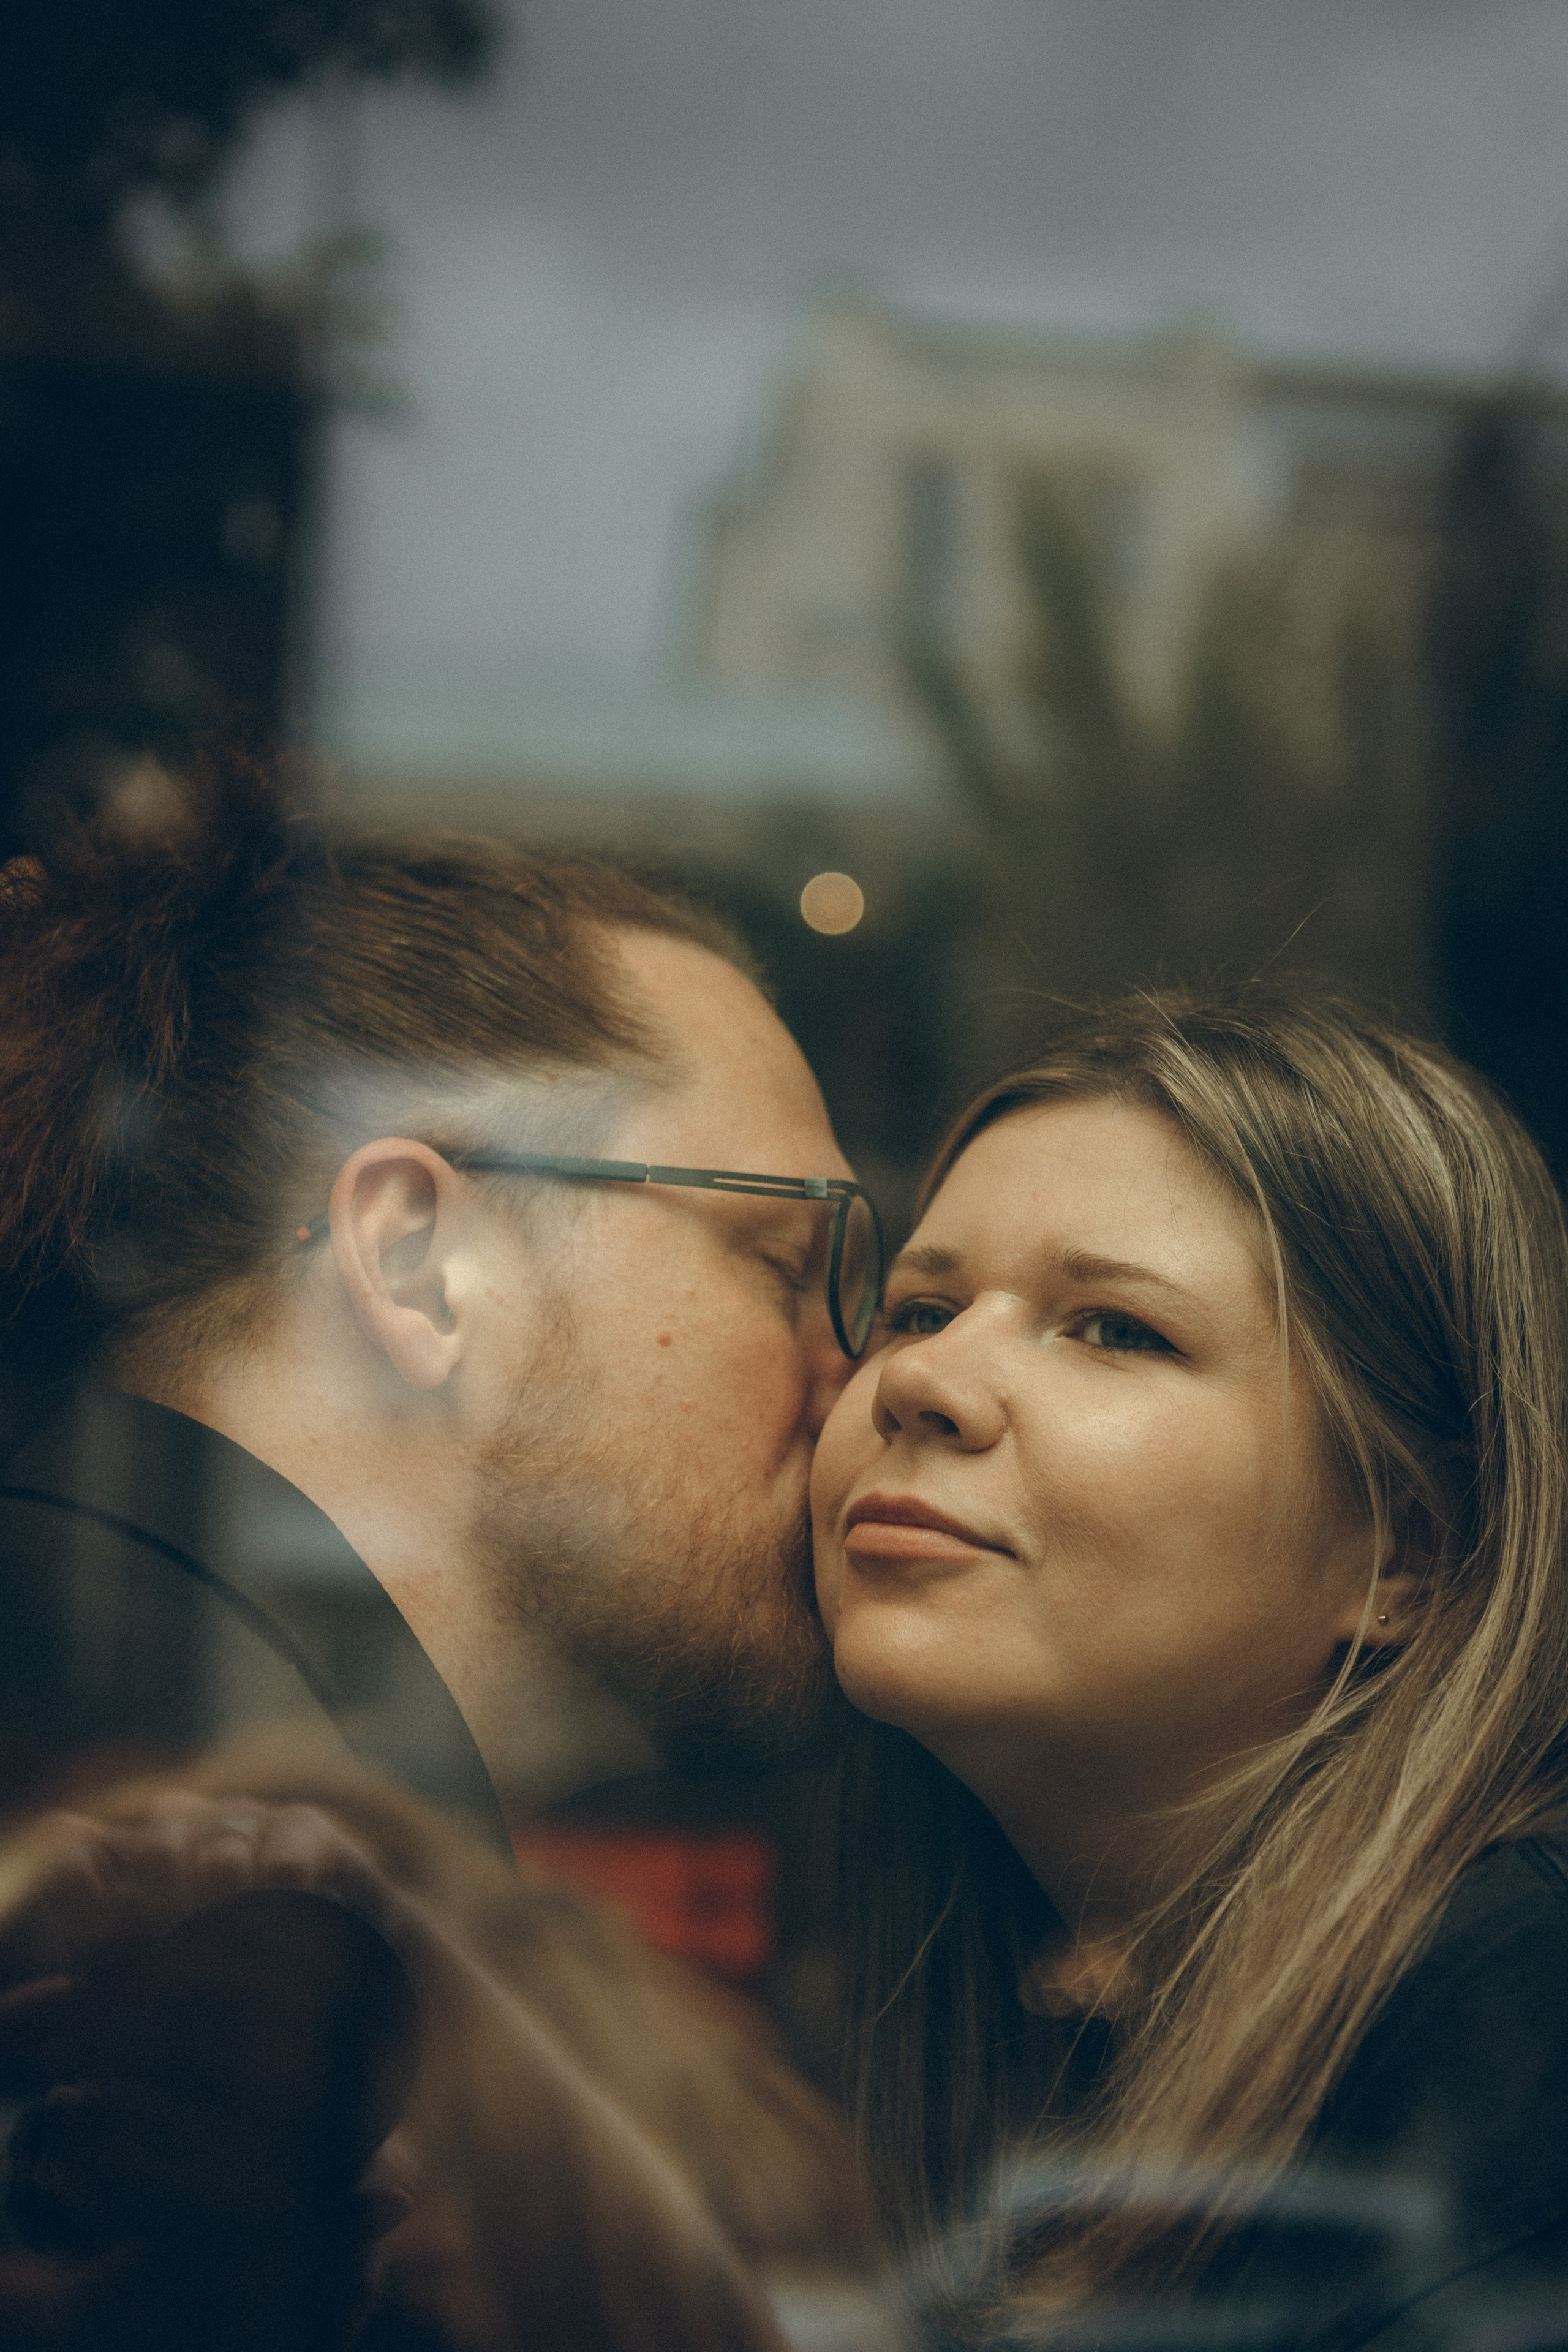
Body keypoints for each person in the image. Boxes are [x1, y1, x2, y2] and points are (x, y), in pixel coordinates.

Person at [0, 762, 884, 2349]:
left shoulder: (210, 1794)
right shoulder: (166, 1873)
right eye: (784, 1262)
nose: (859, 1380)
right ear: (420, 1264)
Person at [812, 990, 1568, 2348]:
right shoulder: (1012, 2010)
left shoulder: (1519, 2032)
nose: (918, 1382)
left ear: (1399, 1551)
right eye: (919, 1306)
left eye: (1112, 1328)